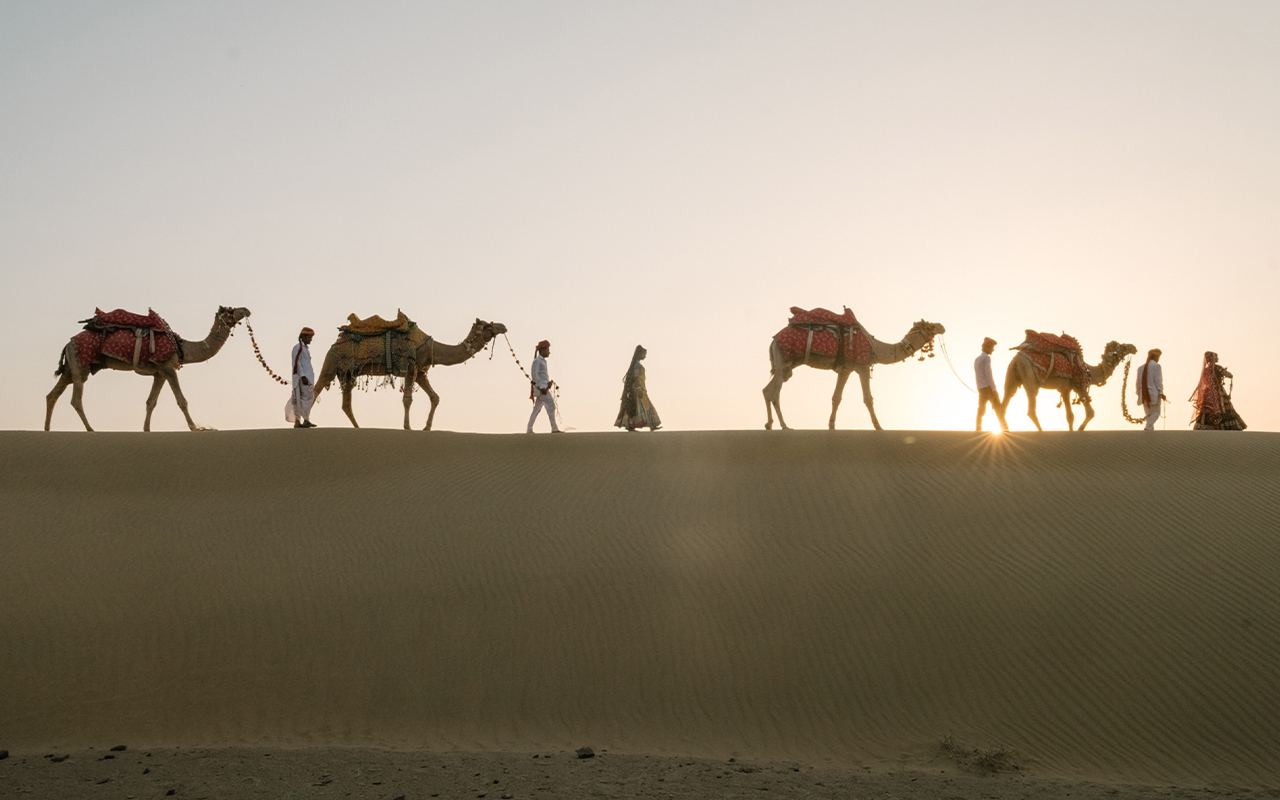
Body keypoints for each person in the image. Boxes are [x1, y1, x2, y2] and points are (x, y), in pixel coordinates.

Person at [1190, 351, 1247, 430]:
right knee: (1223, 408)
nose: (1217, 358)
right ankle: (1224, 427)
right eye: (1216, 357)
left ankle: (1205, 426)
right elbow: (1229, 375)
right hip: (1218, 391)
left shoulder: (1206, 370)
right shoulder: (1217, 368)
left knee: (1207, 408)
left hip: (1208, 392)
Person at [614, 345, 662, 431]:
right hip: (638, 390)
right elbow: (637, 378)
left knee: (644, 407)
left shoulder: (636, 365)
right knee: (637, 407)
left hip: (641, 389)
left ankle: (651, 425)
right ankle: (636, 426)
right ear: (640, 354)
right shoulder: (636, 366)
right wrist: (639, 389)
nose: (645, 356)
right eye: (644, 354)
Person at [286, 327, 318, 429]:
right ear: (303, 337)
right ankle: (304, 420)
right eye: (309, 337)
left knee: (304, 399)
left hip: (307, 377)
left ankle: (300, 421)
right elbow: (297, 363)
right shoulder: (298, 348)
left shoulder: (305, 349)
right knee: (304, 399)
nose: (311, 340)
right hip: (302, 378)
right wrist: (303, 376)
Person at [527, 339, 561, 433]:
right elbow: (535, 375)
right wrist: (541, 387)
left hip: (544, 387)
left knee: (536, 409)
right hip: (541, 389)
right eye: (547, 350)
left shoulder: (542, 361)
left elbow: (541, 376)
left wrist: (547, 384)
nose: (549, 352)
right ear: (542, 351)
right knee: (551, 406)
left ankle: (529, 428)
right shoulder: (537, 361)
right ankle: (554, 428)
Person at [974, 336, 1004, 431]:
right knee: (998, 408)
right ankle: (1005, 429)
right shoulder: (986, 358)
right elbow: (988, 375)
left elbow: (977, 376)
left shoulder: (976, 359)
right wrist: (994, 389)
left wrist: (979, 388)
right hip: (988, 388)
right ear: (987, 347)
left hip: (981, 389)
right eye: (992, 347)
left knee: (981, 410)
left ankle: (978, 429)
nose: (993, 350)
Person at [1135, 348, 1165, 431]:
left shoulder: (1140, 368)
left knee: (1148, 414)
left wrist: (1139, 394)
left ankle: (1149, 433)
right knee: (1156, 413)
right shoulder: (1156, 366)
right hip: (1154, 394)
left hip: (1143, 395)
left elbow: (1138, 383)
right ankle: (1148, 428)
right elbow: (1158, 381)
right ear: (1156, 357)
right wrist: (1161, 392)